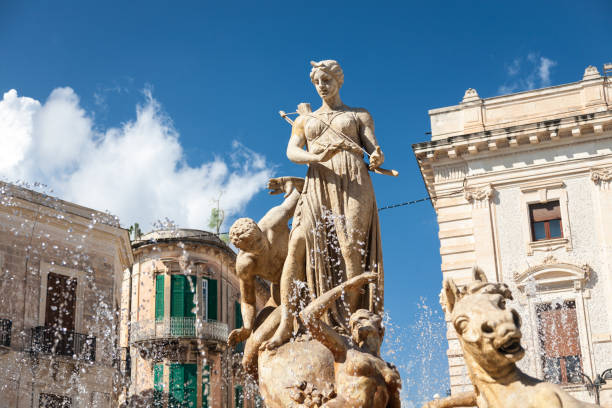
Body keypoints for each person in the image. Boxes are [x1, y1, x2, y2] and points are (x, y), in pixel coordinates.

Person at [261, 60, 385, 350]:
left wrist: (377, 157)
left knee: (351, 249)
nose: (322, 85)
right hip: (319, 181)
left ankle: (352, 323)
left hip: (354, 180)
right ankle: (286, 323)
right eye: (317, 81)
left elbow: (373, 148)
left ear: (338, 81)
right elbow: (292, 150)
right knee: (298, 244)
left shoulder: (358, 114)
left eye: (327, 80)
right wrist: (315, 158)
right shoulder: (306, 120)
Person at [227, 176, 303, 374]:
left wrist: (288, 184)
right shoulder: (245, 265)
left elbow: (300, 194)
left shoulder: (275, 220)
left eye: (258, 240)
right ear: (242, 249)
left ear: (259, 230)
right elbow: (248, 300)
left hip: (307, 279)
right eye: (251, 247)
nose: (258, 247)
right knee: (252, 350)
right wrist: (245, 327)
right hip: (280, 295)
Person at [299, 272, 401, 408]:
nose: (356, 323)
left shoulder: (390, 368)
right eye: (352, 325)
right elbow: (307, 316)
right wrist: (345, 286)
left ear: (379, 327)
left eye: (362, 318)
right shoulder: (347, 348)